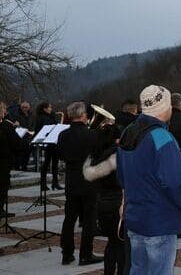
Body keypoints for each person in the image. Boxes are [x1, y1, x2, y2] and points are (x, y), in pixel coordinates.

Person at [117, 85, 181, 275]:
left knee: (138, 269)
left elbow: (122, 175)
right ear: (164, 107)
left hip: (135, 217)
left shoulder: (128, 132)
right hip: (160, 220)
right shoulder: (161, 137)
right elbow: (175, 181)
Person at [57, 101, 102, 266]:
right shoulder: (92, 135)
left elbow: (60, 155)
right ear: (83, 116)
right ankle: (86, 254)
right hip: (89, 180)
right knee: (90, 219)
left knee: (69, 218)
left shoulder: (62, 135)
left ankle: (66, 254)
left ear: (69, 116)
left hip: (71, 180)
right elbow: (98, 155)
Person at [83, 115, 125, 275]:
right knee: (121, 245)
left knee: (112, 244)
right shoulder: (117, 155)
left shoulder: (97, 155)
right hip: (117, 204)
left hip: (101, 203)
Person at [0, 101, 22, 218]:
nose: (5, 112)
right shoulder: (6, 126)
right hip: (3, 161)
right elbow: (16, 144)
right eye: (3, 110)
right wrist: (14, 129)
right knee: (3, 185)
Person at [35, 102, 62, 190]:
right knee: (48, 163)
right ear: (45, 109)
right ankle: (49, 183)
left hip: (50, 143)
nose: (51, 109)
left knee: (52, 163)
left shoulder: (46, 117)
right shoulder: (44, 118)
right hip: (50, 142)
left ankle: (53, 183)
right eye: (50, 108)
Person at [12, 101, 32, 171]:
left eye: (26, 107)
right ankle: (17, 169)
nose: (24, 109)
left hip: (28, 138)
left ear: (29, 108)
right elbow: (14, 125)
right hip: (20, 139)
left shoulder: (31, 115)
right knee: (19, 157)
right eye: (23, 107)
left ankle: (24, 169)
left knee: (27, 157)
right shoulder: (16, 115)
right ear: (21, 107)